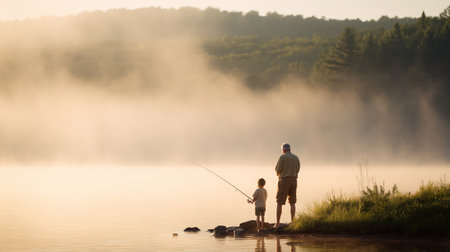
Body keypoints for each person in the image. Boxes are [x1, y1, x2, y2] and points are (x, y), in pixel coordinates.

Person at [275, 143, 300, 228]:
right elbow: (298, 169)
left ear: (283, 150)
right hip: (294, 180)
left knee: (279, 202)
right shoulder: (296, 157)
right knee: (292, 202)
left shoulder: (282, 157)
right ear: (290, 149)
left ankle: (277, 223)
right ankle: (293, 222)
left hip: (284, 180)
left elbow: (277, 170)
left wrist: (279, 174)